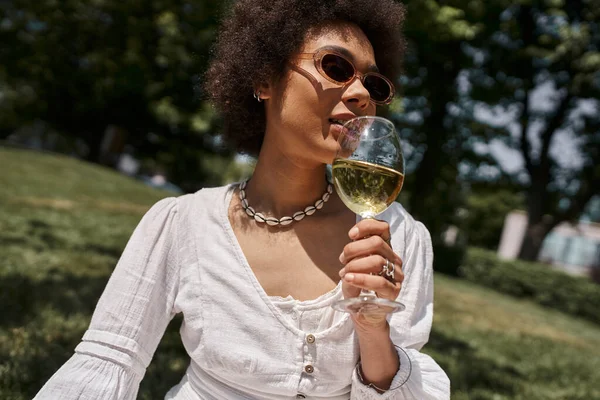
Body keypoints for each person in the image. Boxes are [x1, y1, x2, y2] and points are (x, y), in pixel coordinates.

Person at [34, 0, 450, 398]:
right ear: (264, 79)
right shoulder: (183, 223)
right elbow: (108, 362)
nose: (361, 94)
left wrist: (374, 328)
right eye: (336, 66)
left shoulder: (398, 237)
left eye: (373, 83)